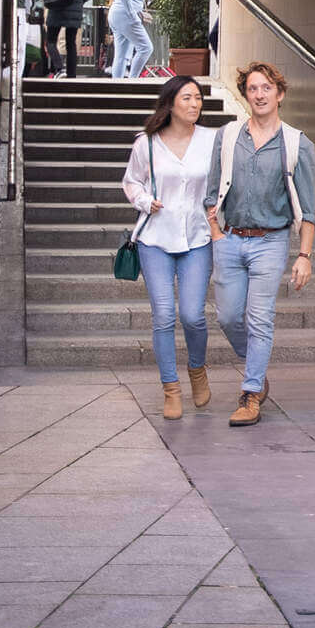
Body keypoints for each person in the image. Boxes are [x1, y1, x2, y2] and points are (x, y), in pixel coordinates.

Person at [203, 62, 315, 427]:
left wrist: (304, 256)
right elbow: (210, 194)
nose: (260, 94)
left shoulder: (298, 144)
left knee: (259, 317)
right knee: (228, 317)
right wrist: (216, 234)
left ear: (279, 94)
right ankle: (257, 366)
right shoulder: (227, 137)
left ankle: (251, 391)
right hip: (230, 238)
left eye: (267, 88)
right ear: (246, 94)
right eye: (253, 88)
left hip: (270, 242)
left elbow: (309, 208)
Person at [122, 76, 216, 419]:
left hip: (197, 238)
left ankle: (197, 370)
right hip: (155, 239)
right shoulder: (146, 143)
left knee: (192, 316)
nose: (194, 104)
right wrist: (145, 201)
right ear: (171, 102)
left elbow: (222, 182)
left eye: (198, 98)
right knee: (163, 315)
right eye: (187, 98)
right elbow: (131, 181)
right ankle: (171, 389)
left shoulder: (211, 140)